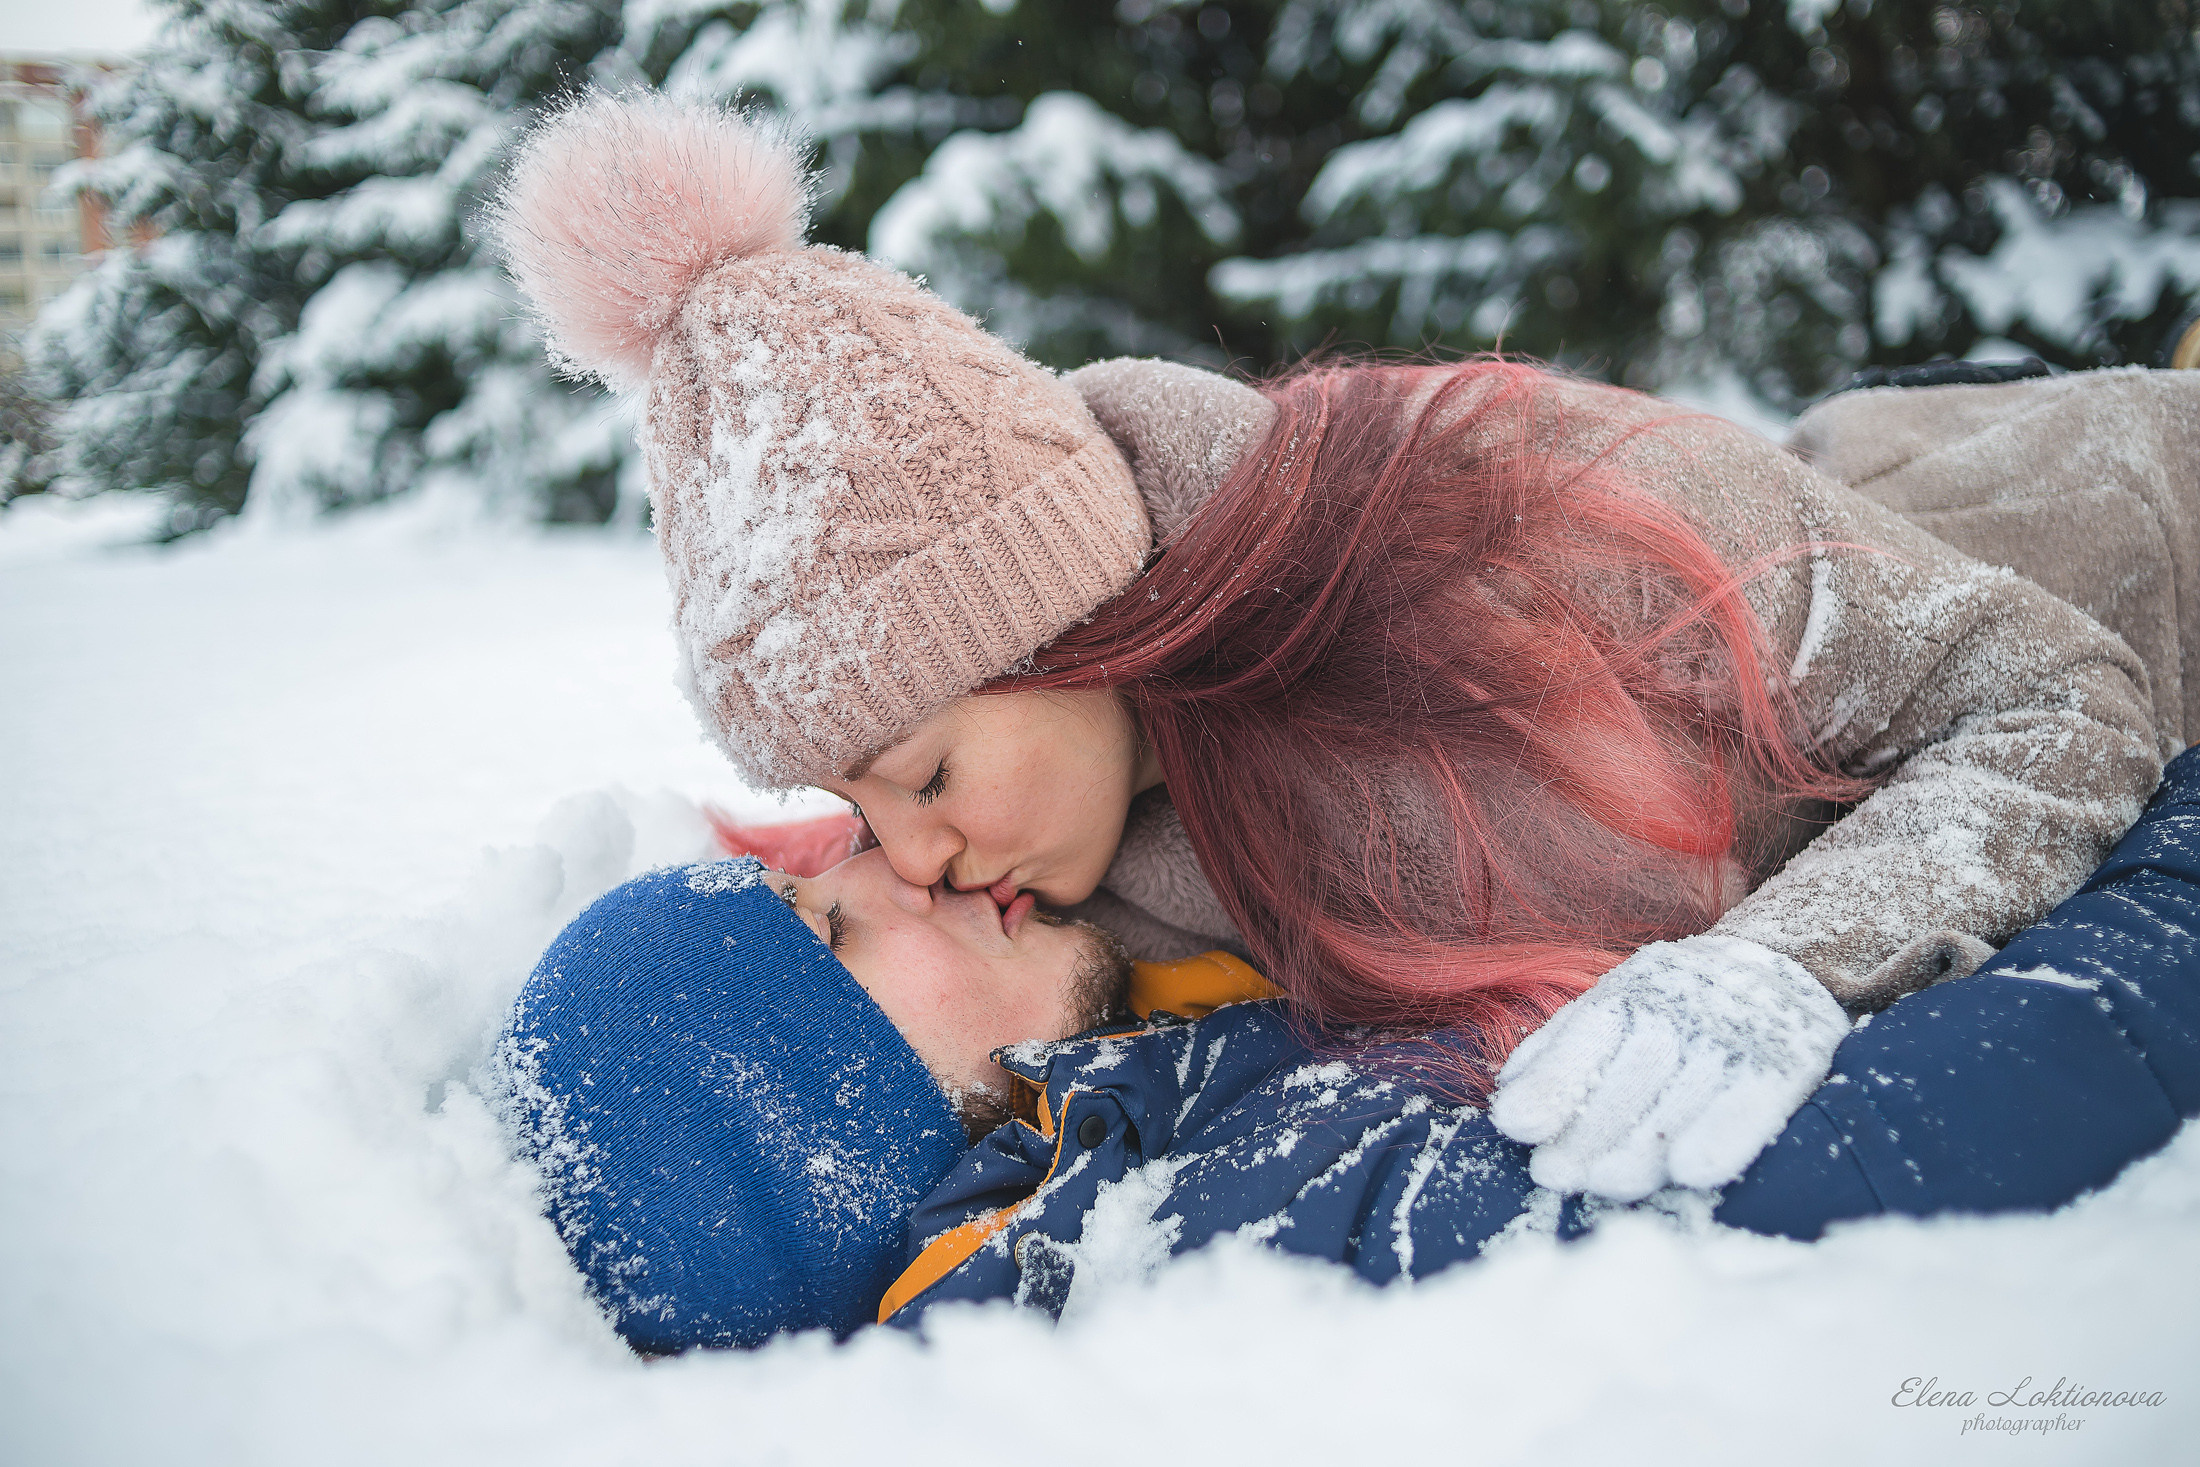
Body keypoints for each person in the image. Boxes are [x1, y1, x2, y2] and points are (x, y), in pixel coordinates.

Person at [493, 91, 2200, 1205]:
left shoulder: (1520, 546)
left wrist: (1795, 957)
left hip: (2122, 532)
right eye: (870, 822)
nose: (920, 862)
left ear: (1080, 623)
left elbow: (2056, 697)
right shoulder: (1053, 831)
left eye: (927, 780)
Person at [501, 746, 2200, 1350]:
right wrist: (2176, 849)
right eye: (836, 928)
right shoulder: (1215, 1242)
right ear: (829, 1124)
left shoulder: (1120, 1098)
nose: (891, 865)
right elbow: (1898, 1149)